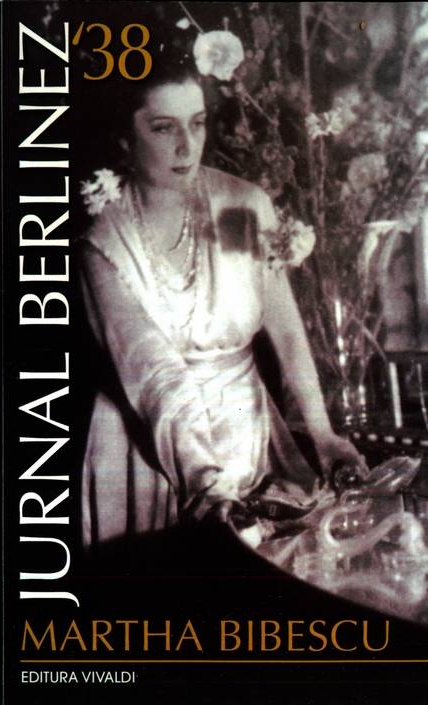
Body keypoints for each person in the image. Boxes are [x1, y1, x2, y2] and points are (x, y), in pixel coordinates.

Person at [77, 49, 365, 551]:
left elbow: (286, 330)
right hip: (142, 447)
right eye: (163, 128)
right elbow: (151, 371)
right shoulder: (103, 235)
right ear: (125, 138)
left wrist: (322, 435)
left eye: (198, 123)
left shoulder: (242, 205)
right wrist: (208, 489)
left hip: (245, 431)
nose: (187, 146)